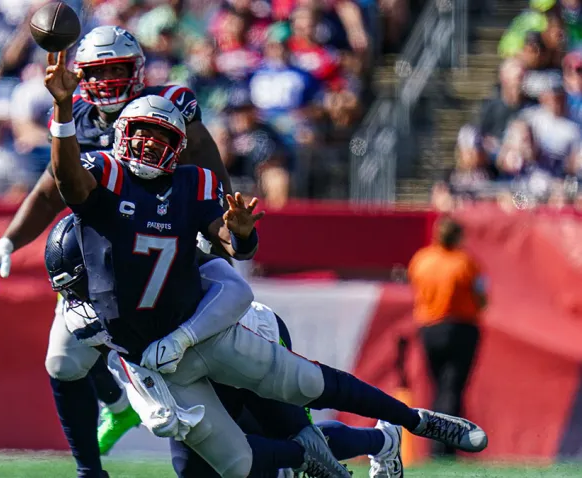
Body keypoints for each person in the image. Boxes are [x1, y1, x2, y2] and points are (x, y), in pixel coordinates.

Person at [42, 49, 487, 477]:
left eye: (161, 138)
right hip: (155, 361)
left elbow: (237, 271)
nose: (147, 145)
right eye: (141, 133)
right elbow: (65, 178)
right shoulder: (102, 180)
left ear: (179, 148)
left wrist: (239, 232)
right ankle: (309, 457)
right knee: (235, 465)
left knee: (310, 383)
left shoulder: (190, 185)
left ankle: (414, 420)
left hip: (207, 334)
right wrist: (64, 109)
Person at [0, 25, 229, 477]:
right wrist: (6, 241)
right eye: (99, 70)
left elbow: (211, 176)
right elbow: (51, 190)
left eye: (119, 69)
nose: (109, 80)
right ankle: (91, 468)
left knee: (231, 343)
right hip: (105, 271)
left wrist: (221, 235)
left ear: (138, 71)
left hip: (169, 263)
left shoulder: (168, 106)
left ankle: (291, 415)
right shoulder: (76, 118)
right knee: (63, 361)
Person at [47, 215, 405, 478]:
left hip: (243, 343)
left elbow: (231, 284)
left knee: (293, 441)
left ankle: (381, 442)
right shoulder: (91, 307)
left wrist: (181, 339)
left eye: (82, 286)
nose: (80, 299)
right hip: (189, 374)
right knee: (193, 469)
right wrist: (90, 465)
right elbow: (72, 370)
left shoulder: (157, 259)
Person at [408, 216, 486, 458]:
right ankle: (445, 448)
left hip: (429, 328)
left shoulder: (421, 260)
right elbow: (481, 298)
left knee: (438, 387)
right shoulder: (465, 263)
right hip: (460, 327)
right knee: (452, 388)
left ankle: (437, 443)